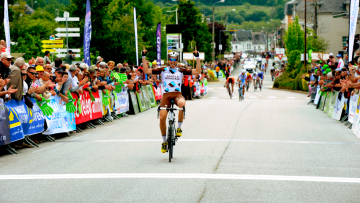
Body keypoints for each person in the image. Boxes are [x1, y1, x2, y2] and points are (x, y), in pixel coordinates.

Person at [142, 46, 201, 153]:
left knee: (182, 104)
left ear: (177, 60)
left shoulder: (181, 70)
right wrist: (143, 56)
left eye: (174, 60)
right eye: (171, 59)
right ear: (168, 60)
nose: (172, 62)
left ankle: (179, 127)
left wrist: (197, 57)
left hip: (177, 94)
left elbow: (197, 71)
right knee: (162, 118)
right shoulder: (163, 69)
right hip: (166, 96)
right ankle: (164, 141)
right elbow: (146, 71)